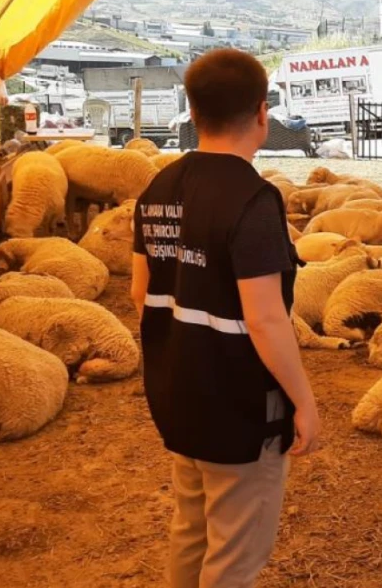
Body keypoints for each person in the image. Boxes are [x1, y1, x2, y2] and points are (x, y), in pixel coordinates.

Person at [130, 48, 321, 588]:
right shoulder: (253, 200)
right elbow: (265, 320)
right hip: (239, 411)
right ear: (263, 112)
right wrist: (303, 402)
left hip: (178, 395)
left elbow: (140, 292)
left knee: (191, 530)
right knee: (234, 557)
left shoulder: (157, 190)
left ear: (192, 113)